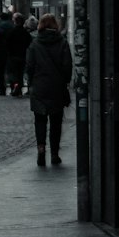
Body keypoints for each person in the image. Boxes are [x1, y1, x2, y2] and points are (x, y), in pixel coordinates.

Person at [25, 14, 73, 167]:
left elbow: (30, 66)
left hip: (39, 86)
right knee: (56, 122)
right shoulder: (62, 43)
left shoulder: (35, 44)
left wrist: (31, 82)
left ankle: (40, 150)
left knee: (39, 120)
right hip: (56, 87)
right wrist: (64, 81)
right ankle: (54, 153)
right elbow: (67, 66)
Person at [6, 12, 32, 97]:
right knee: (20, 73)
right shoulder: (25, 32)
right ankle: (19, 89)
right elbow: (29, 42)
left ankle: (15, 86)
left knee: (13, 73)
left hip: (13, 55)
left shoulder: (11, 31)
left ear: (15, 21)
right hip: (22, 55)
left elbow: (7, 43)